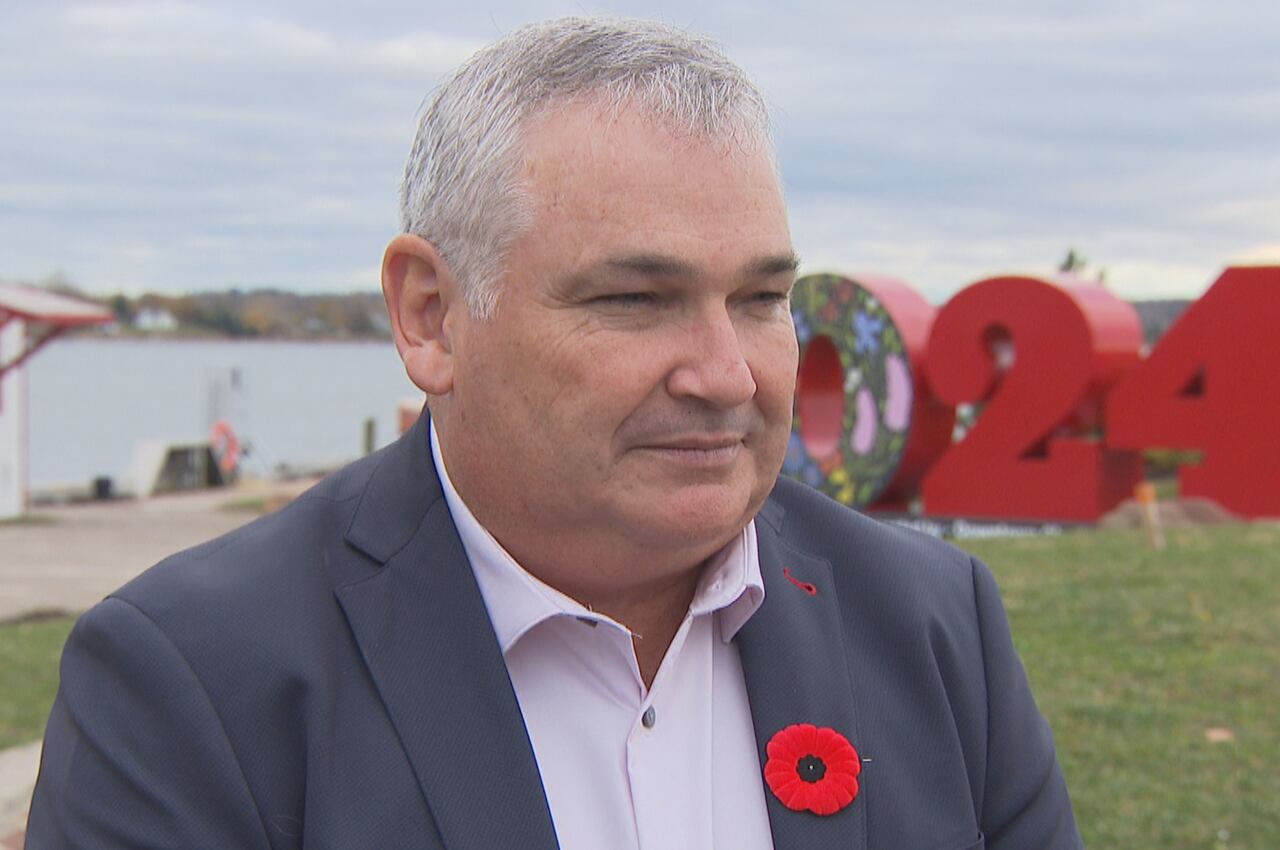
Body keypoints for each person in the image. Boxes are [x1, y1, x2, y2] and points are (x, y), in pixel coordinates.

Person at [26, 17, 1082, 850]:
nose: (725, 374)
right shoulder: (195, 678)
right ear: (431, 315)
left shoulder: (932, 622)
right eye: (634, 298)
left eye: (761, 297)